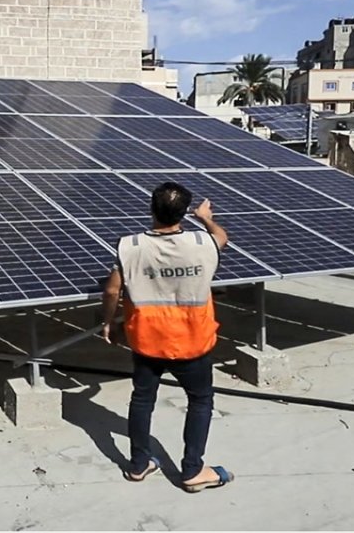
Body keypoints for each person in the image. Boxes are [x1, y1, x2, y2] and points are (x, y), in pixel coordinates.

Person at [100, 181, 233, 492]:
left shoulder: (130, 246)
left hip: (147, 340)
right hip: (193, 342)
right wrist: (206, 217)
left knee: (142, 400)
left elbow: (111, 289)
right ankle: (192, 471)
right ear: (183, 214)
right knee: (200, 401)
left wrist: (109, 323)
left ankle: (138, 465)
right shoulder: (203, 243)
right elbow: (223, 237)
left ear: (151, 208)